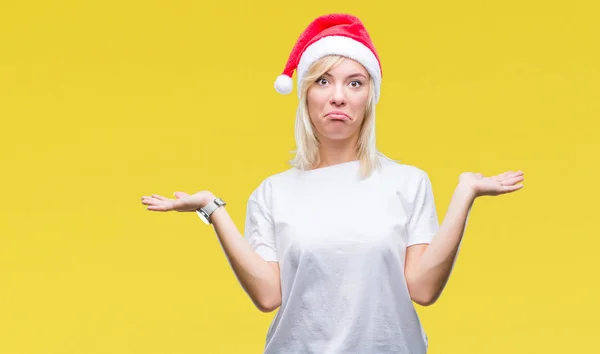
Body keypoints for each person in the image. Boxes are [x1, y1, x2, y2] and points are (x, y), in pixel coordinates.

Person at [141, 13, 525, 354]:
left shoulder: (407, 183)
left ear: (369, 97)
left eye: (354, 83)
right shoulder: (273, 193)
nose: (338, 97)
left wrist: (464, 194)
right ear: (305, 94)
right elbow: (268, 295)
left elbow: (423, 289)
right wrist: (212, 208)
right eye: (323, 81)